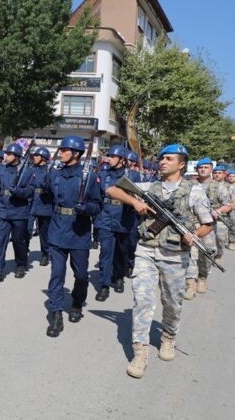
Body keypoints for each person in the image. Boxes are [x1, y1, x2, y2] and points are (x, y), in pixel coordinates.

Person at [105, 144, 213, 379]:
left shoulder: (194, 191)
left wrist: (193, 235)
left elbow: (207, 224)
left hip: (176, 255)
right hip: (146, 251)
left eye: (169, 158)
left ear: (181, 164)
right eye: (162, 158)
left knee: (172, 302)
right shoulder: (148, 187)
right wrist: (134, 202)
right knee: (143, 300)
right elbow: (112, 190)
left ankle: (168, 337)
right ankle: (140, 352)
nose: (163, 162)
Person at [45, 135, 102, 338]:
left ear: (76, 154)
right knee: (57, 274)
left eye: (64, 150)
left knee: (80, 275)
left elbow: (98, 205)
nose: (61, 153)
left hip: (79, 231)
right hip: (58, 230)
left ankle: (77, 302)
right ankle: (56, 314)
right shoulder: (55, 175)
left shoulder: (89, 176)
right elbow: (47, 195)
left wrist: (86, 207)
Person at [93, 145, 135, 301]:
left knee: (121, 251)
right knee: (105, 252)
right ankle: (104, 284)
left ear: (122, 160)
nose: (109, 159)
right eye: (108, 156)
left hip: (124, 218)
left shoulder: (132, 176)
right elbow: (97, 196)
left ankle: (119, 277)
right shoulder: (104, 175)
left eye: (112, 156)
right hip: (106, 217)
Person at [185, 158, 231, 296]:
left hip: (209, 225)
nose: (203, 169)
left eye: (206, 167)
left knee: (208, 252)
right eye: (200, 167)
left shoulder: (218, 186)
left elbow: (229, 204)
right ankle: (190, 284)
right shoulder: (189, 185)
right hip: (192, 224)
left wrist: (219, 211)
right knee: (191, 253)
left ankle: (203, 277)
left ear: (211, 169)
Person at [0, 143, 33, 283]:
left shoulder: (27, 171)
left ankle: (21, 264)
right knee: (1, 240)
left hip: (19, 210)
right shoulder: (0, 170)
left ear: (17, 156)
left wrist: (18, 191)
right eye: (6, 154)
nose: (6, 156)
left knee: (19, 240)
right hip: (2, 210)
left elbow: (30, 191)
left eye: (9, 154)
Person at [29, 147, 54, 267]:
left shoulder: (50, 171)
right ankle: (24, 251)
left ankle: (45, 254)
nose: (34, 157)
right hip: (31, 201)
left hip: (45, 203)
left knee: (44, 232)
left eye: (37, 155)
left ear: (43, 158)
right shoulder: (30, 169)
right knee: (25, 229)